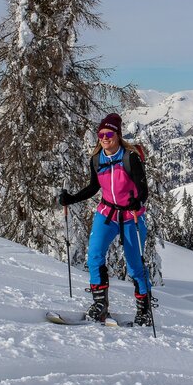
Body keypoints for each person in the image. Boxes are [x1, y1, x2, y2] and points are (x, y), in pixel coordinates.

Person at [57, 113, 153, 326]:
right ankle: (100, 305)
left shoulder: (130, 157)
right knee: (94, 257)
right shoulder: (96, 159)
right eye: (101, 134)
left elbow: (143, 188)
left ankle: (144, 310)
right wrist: (71, 199)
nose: (104, 137)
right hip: (107, 214)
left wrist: (138, 201)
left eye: (109, 133)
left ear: (117, 135)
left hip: (131, 216)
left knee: (136, 265)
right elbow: (93, 187)